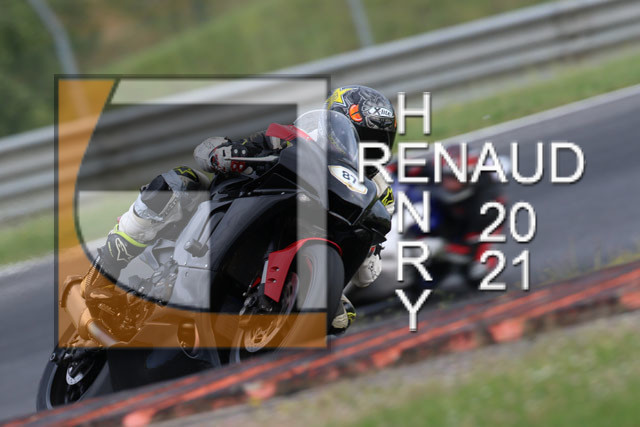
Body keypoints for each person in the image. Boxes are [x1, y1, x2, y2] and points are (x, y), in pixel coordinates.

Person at [81, 85, 397, 339]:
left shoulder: (379, 192)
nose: (366, 150)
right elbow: (209, 150)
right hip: (237, 209)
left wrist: (367, 252)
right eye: (360, 138)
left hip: (315, 245)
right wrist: (226, 153)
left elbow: (366, 272)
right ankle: (105, 271)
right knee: (179, 182)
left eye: (377, 143)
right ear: (332, 125)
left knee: (341, 316)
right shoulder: (289, 138)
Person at [396, 144, 506, 294]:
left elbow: (470, 251)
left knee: (477, 272)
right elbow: (403, 167)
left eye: (454, 178)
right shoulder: (438, 173)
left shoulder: (486, 208)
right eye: (445, 176)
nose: (447, 182)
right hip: (444, 222)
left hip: (469, 243)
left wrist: (440, 248)